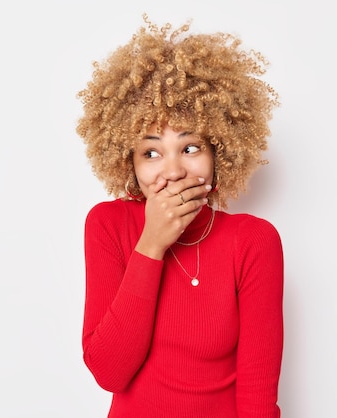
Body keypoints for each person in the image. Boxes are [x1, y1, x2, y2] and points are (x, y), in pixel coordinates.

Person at [75, 14, 284, 418]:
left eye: (190, 148)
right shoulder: (108, 225)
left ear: (219, 152)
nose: (172, 171)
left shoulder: (253, 240)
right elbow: (109, 373)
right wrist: (151, 244)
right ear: (128, 161)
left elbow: (258, 394)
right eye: (151, 152)